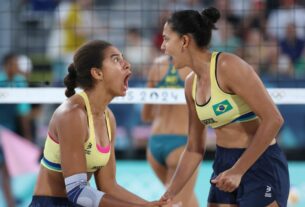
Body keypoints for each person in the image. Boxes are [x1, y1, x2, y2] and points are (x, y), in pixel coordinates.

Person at [159, 7, 290, 207]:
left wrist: (239, 170)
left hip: (259, 161)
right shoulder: (190, 84)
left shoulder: (228, 66)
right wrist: (169, 194)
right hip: (224, 163)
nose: (162, 46)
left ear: (185, 41)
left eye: (167, 39)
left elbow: (274, 120)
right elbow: (194, 148)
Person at [29, 40, 165, 207]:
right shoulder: (72, 115)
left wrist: (151, 204)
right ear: (97, 73)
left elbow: (109, 186)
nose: (127, 65)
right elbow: (77, 192)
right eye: (116, 60)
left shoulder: (109, 118)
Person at [141, 55, 199, 207]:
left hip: (155, 142)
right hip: (182, 143)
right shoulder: (195, 65)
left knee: (182, 200)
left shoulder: (157, 64)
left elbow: (146, 115)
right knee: (178, 202)